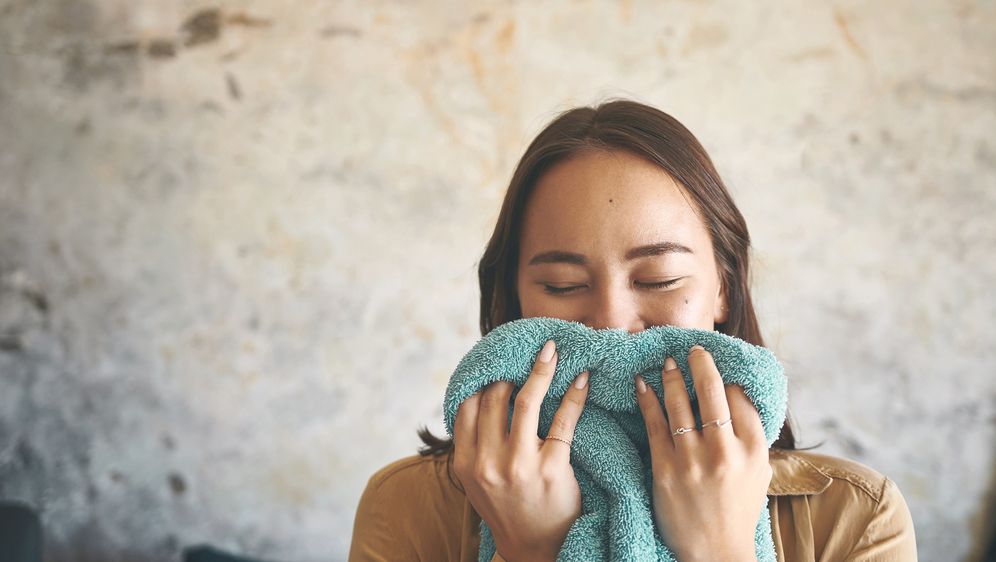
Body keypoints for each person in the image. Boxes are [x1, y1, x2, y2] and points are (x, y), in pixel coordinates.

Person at [348, 99, 917, 561]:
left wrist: (721, 551)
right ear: (514, 299)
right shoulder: (407, 505)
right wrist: (529, 551)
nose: (613, 324)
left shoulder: (857, 515)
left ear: (723, 288)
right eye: (564, 286)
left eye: (661, 279)